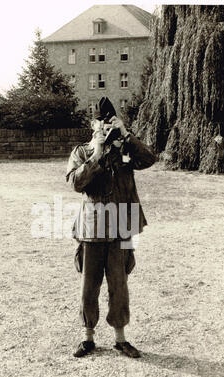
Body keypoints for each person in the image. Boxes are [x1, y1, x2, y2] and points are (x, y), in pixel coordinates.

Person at [66, 97, 155, 358]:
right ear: (92, 125)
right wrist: (97, 153)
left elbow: (150, 158)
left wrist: (126, 134)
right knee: (89, 285)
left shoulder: (124, 149)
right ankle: (88, 337)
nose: (105, 128)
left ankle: (120, 338)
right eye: (100, 124)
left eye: (110, 123)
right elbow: (75, 183)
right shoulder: (82, 152)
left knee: (119, 284)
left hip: (120, 230)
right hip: (91, 230)